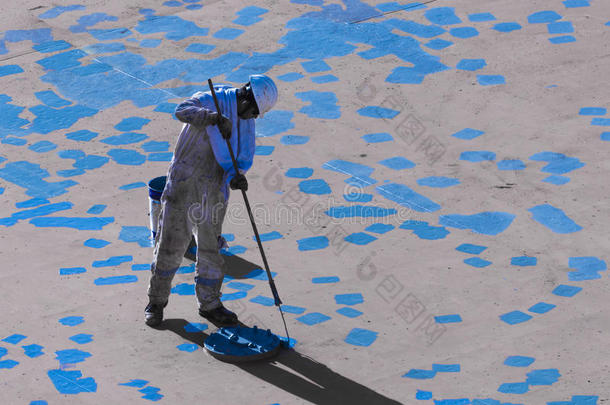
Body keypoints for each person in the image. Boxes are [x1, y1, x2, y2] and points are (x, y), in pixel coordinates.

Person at [145, 75, 278, 327]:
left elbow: (240, 157)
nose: (251, 118)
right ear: (245, 96)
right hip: (183, 186)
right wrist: (214, 118)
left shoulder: (246, 122)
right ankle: (156, 302)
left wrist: (237, 176)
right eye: (251, 112)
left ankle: (210, 304)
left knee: (211, 251)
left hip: (213, 192)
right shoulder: (211, 99)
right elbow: (181, 110)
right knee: (169, 247)